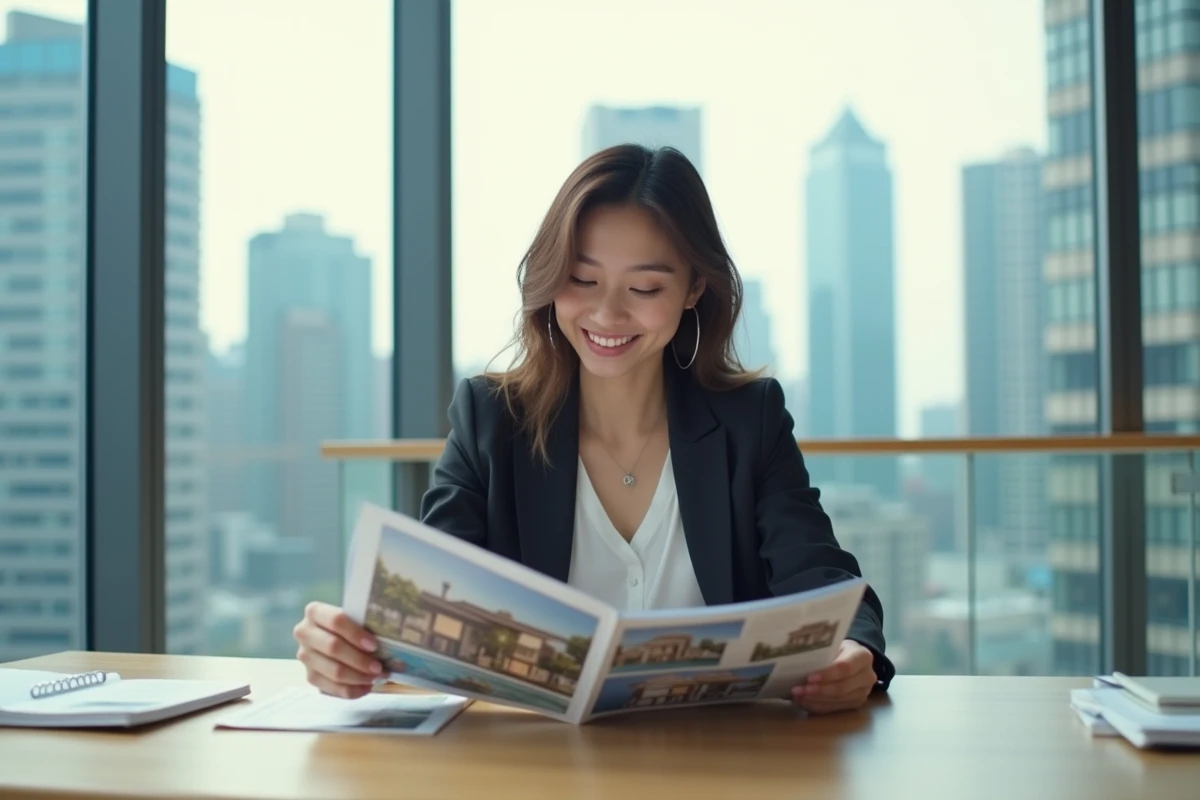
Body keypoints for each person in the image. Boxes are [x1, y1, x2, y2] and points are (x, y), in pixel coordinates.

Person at [293, 144, 896, 715]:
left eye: (644, 288)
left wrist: (856, 654)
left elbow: (825, 579)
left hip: (721, 759)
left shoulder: (749, 419)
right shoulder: (490, 419)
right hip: (534, 765)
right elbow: (423, 599)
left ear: (693, 290)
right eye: (582, 281)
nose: (607, 314)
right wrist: (348, 645)